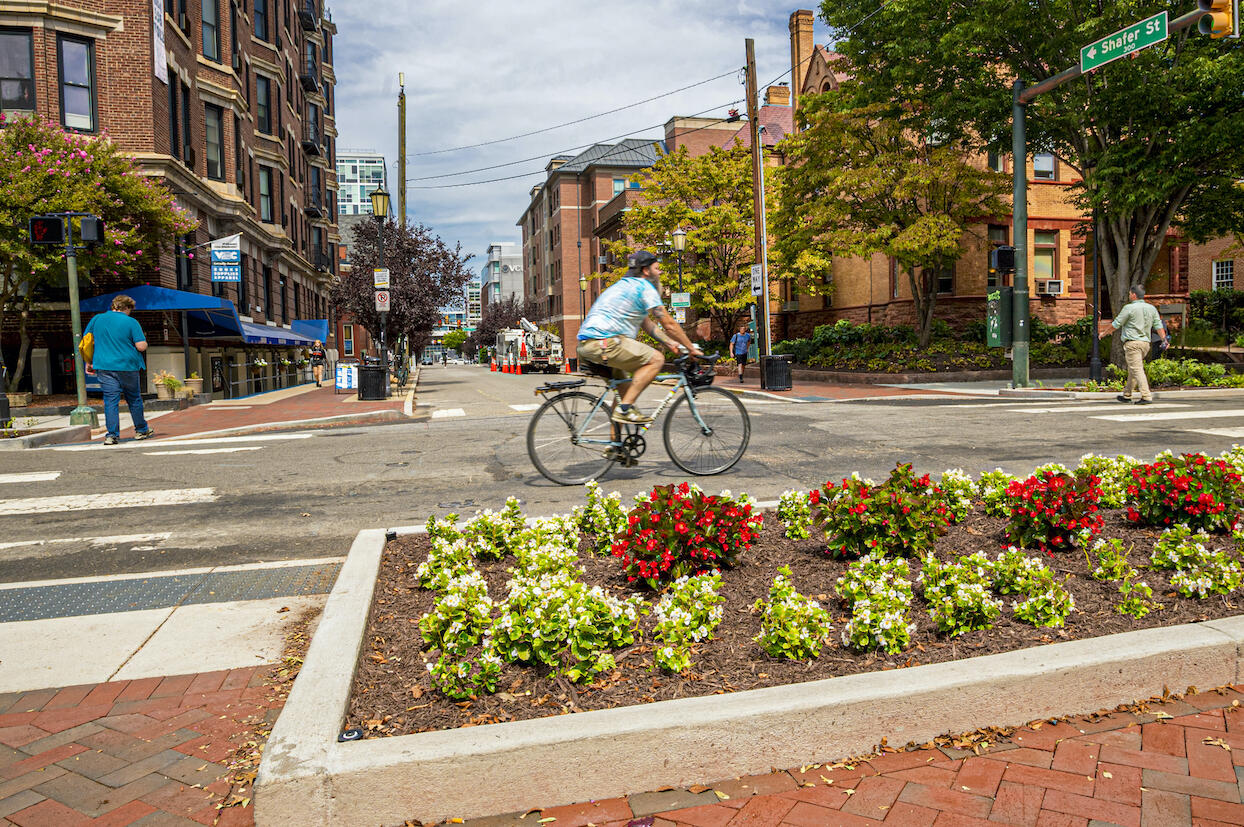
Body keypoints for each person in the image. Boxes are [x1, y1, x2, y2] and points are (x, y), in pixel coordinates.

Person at [577, 250, 703, 424]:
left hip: (587, 345)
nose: (659, 273)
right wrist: (690, 348)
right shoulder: (644, 287)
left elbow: (648, 325)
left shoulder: (623, 287)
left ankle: (615, 449)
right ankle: (625, 411)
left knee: (624, 393)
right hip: (606, 342)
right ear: (646, 271)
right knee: (656, 360)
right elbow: (669, 324)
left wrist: (670, 343)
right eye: (657, 268)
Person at [84, 294, 154, 445]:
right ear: (127, 307)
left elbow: (87, 341)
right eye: (130, 309)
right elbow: (140, 346)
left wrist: (89, 362)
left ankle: (112, 435)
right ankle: (141, 430)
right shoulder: (131, 322)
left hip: (103, 365)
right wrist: (145, 343)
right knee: (134, 398)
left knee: (110, 400)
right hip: (127, 365)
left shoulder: (96, 319)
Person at [1102, 284, 1166, 406]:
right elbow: (1158, 326)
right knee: (1133, 369)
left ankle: (1146, 396)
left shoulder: (1129, 308)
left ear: (1134, 295)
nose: (1129, 296)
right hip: (1145, 344)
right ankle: (1127, 394)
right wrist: (1164, 340)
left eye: (1130, 294)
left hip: (1133, 344)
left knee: (1137, 369)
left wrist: (1103, 333)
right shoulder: (1151, 308)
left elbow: (1116, 324)